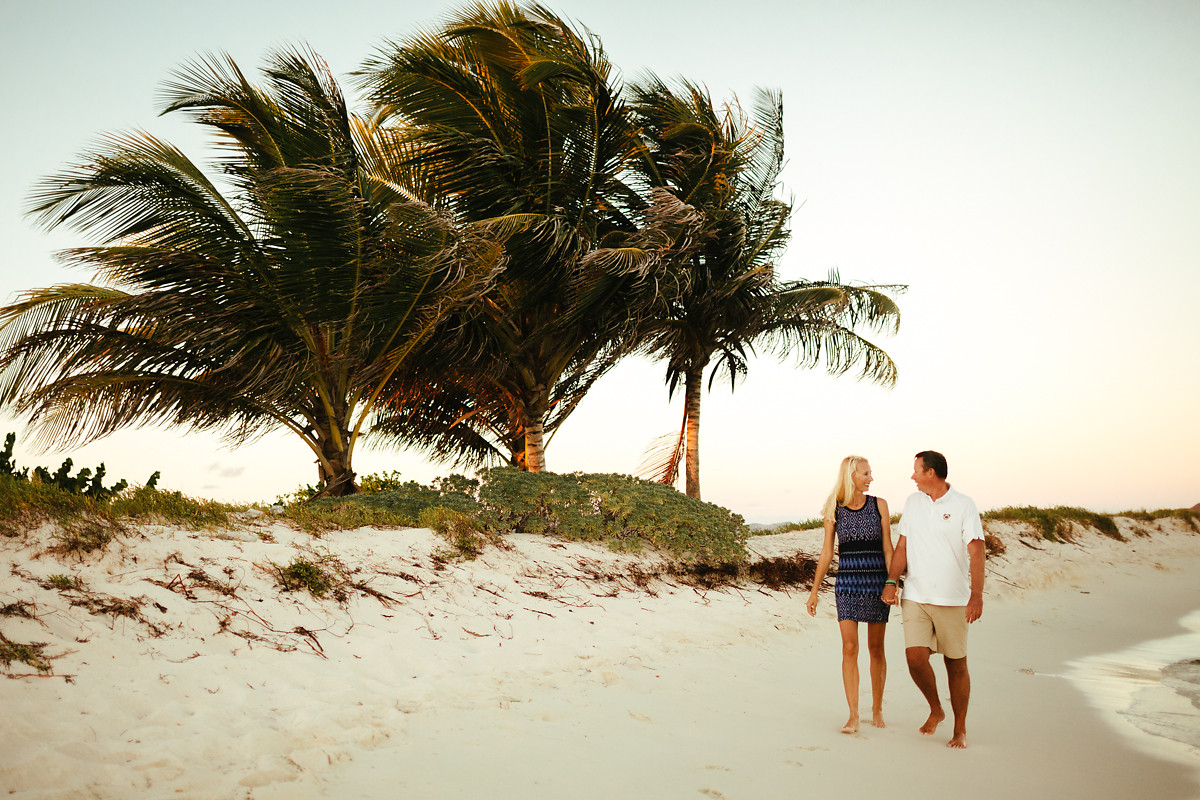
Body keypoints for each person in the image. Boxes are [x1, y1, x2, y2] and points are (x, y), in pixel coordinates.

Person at [881, 450, 985, 749]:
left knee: (956, 664)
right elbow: (903, 545)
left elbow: (977, 552)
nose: (912, 476)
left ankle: (960, 729)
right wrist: (892, 580)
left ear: (932, 473)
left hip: (953, 598)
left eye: (916, 470)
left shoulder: (964, 505)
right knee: (915, 657)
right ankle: (936, 708)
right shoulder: (913, 503)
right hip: (916, 594)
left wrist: (976, 595)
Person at [807, 455, 894, 734]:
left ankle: (877, 709)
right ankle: (854, 715)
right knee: (849, 648)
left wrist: (892, 582)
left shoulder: (879, 505)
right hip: (847, 583)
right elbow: (827, 551)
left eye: (870, 473)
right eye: (866, 474)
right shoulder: (835, 508)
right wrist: (814, 590)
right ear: (851, 476)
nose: (871, 478)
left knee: (876, 648)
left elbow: (888, 548)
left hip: (876, 580)